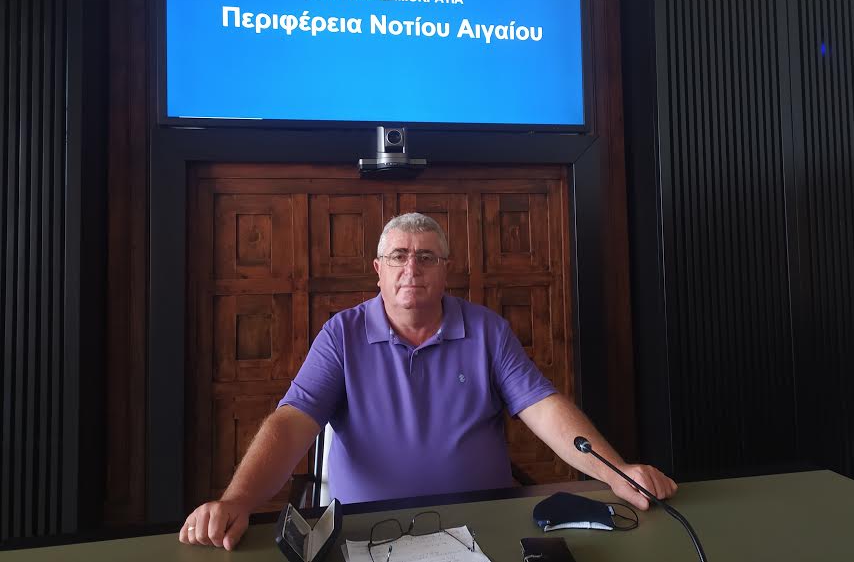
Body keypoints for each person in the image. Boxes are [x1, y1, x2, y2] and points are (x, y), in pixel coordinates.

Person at [180, 213, 676, 549]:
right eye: (398, 256)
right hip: (368, 534)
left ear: (445, 270)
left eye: (426, 257)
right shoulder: (341, 334)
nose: (411, 268)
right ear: (378, 270)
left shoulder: (486, 329)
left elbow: (542, 407)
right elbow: (292, 423)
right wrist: (238, 500)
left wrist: (616, 471)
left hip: (482, 526)